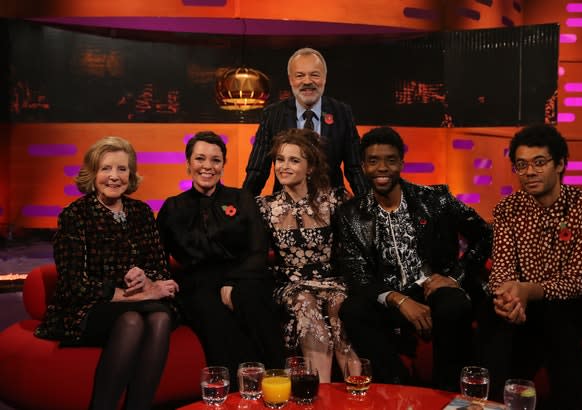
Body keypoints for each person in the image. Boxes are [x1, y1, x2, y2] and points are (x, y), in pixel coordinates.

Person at [335, 127, 492, 391]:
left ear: (401, 163)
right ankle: (401, 387)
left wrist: (455, 277)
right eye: (373, 161)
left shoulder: (436, 199)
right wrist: (399, 299)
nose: (382, 168)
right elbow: (357, 274)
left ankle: (446, 390)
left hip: (434, 288)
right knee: (352, 309)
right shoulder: (350, 214)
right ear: (363, 166)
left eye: (390, 160)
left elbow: (485, 235)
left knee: (452, 304)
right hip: (390, 296)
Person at [34, 136, 179, 410]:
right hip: (87, 307)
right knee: (132, 320)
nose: (114, 177)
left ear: (131, 174)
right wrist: (134, 294)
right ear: (93, 173)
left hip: (143, 303)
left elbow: (160, 266)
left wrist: (147, 278)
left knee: (161, 317)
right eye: (106, 169)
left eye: (122, 169)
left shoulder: (142, 212)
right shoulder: (75, 215)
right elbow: (72, 284)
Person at [479, 124, 582, 409]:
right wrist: (508, 296)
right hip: (527, 303)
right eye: (521, 165)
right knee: (494, 316)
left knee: (555, 317)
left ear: (561, 163)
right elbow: (502, 268)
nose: (529, 172)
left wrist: (529, 291)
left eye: (539, 163)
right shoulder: (507, 209)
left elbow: (578, 279)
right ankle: (489, 404)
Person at [157, 131, 285, 390]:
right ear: (188, 164)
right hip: (197, 283)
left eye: (215, 160)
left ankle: (278, 381)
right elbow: (157, 254)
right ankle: (239, 393)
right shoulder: (173, 207)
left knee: (249, 298)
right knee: (211, 311)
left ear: (223, 165)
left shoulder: (242, 198)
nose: (207, 166)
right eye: (200, 159)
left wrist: (231, 282)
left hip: (244, 274)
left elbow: (258, 249)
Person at [256, 128, 355, 383]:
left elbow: (355, 249)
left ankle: (357, 393)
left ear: (310, 167)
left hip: (332, 280)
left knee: (338, 306)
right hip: (291, 284)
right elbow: (253, 255)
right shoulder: (265, 207)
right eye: (280, 159)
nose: (283, 166)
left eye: (294, 160)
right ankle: (321, 391)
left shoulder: (335, 200)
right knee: (306, 303)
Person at [242, 47, 368, 197]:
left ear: (325, 78)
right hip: (284, 208)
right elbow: (258, 170)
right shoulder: (272, 114)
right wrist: (244, 206)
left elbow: (354, 168)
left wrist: (368, 205)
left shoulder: (342, 113)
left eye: (315, 75)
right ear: (290, 80)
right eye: (300, 75)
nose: (307, 81)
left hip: (333, 208)